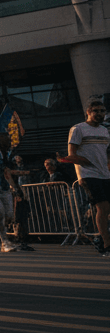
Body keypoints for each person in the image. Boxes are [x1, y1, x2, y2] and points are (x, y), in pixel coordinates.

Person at [64, 99, 110, 257]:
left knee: (107, 209)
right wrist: (86, 164)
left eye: (102, 111)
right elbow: (72, 155)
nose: (99, 114)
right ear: (88, 113)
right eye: (96, 111)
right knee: (103, 207)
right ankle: (106, 244)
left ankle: (100, 238)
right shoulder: (78, 129)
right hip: (88, 174)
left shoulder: (105, 130)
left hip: (105, 174)